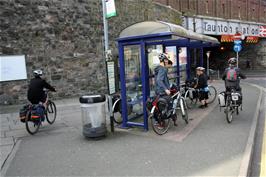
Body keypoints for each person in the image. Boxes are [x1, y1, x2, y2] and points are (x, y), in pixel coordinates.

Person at [154, 53, 177, 126]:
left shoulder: (160, 68)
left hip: (158, 90)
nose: (167, 61)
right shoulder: (162, 69)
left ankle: (160, 121)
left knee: (160, 106)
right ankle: (164, 120)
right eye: (166, 60)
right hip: (162, 91)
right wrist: (166, 89)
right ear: (163, 60)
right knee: (168, 105)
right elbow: (159, 80)